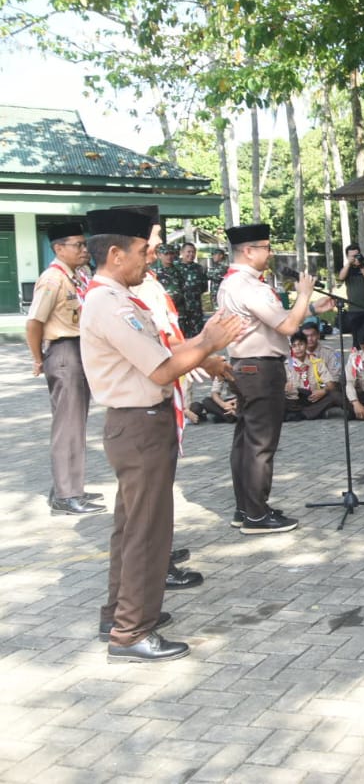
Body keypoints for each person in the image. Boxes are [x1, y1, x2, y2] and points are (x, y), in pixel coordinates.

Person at [80, 206, 244, 662]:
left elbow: (162, 354)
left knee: (131, 527)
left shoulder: (116, 299)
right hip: (139, 425)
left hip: (137, 425)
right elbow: (161, 369)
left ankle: (118, 615)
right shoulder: (110, 304)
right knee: (147, 533)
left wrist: (203, 348)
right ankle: (131, 632)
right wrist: (208, 342)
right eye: (142, 251)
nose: (149, 258)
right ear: (116, 254)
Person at [218, 222, 333, 534]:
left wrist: (310, 307)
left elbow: (274, 319)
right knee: (260, 443)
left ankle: (246, 508)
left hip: (246, 366)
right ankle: (256, 515)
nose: (270, 253)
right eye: (266, 248)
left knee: (246, 440)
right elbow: (287, 327)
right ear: (248, 251)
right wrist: (304, 293)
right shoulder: (249, 286)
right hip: (260, 368)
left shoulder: (232, 283)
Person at [26, 221, 103, 515]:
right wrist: (38, 358)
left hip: (78, 350)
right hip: (63, 352)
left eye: (85, 244)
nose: (84, 250)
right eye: (78, 245)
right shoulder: (52, 279)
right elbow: (34, 322)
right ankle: (65, 494)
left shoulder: (78, 276)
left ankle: (69, 486)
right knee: (67, 427)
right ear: (59, 248)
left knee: (76, 424)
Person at [283, 332, 341, 420]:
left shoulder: (317, 362)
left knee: (334, 395)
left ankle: (301, 414)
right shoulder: (286, 365)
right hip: (293, 400)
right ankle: (307, 413)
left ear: (306, 345)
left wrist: (324, 391)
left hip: (313, 399)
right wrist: (284, 388)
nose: (298, 349)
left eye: (301, 344)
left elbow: (331, 384)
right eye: (294, 346)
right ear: (291, 348)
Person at [335, 243, 364, 337]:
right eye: (352, 256)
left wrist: (361, 266)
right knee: (357, 337)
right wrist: (349, 264)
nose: (355, 258)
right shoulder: (347, 269)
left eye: (357, 255)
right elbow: (341, 277)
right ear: (347, 257)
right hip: (354, 310)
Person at [175, 242, 207, 339]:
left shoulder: (199, 268)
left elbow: (203, 287)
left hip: (195, 308)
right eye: (188, 252)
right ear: (182, 252)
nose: (191, 254)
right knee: (181, 336)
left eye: (193, 252)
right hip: (180, 309)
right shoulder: (175, 267)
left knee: (197, 337)